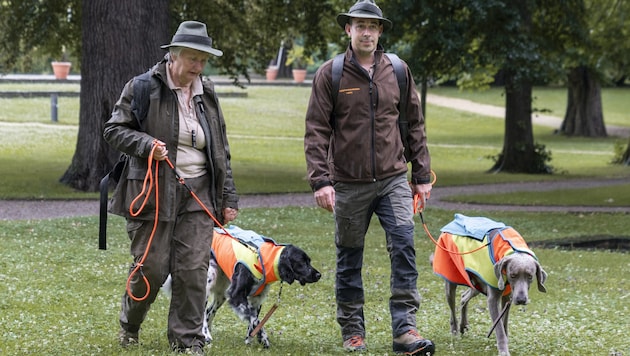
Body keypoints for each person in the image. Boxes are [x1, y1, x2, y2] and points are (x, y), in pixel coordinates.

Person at [303, 1, 435, 354]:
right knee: (349, 257)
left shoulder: (398, 71)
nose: (366, 32)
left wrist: (421, 174)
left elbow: (414, 125)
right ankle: (353, 332)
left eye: (372, 26)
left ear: (380, 32)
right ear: (348, 29)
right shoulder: (330, 74)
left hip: (393, 179)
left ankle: (405, 330)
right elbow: (316, 130)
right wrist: (321, 181)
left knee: (404, 248)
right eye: (359, 25)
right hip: (348, 183)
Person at [103, 21, 239, 355]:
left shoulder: (206, 92)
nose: (198, 67)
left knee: (193, 269)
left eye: (203, 60)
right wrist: (146, 143)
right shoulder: (142, 87)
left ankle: (187, 341)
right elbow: (114, 130)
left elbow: (220, 148)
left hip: (199, 193)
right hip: (151, 191)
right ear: (173, 55)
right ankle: (129, 325)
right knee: (151, 266)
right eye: (193, 58)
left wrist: (228, 196)